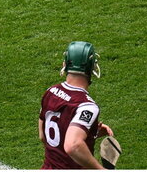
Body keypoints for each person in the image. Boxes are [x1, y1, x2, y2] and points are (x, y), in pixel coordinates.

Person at [39, 41, 115, 169]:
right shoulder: (87, 107)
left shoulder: (50, 92)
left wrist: (90, 133)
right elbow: (73, 146)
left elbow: (43, 136)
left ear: (66, 63)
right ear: (92, 67)